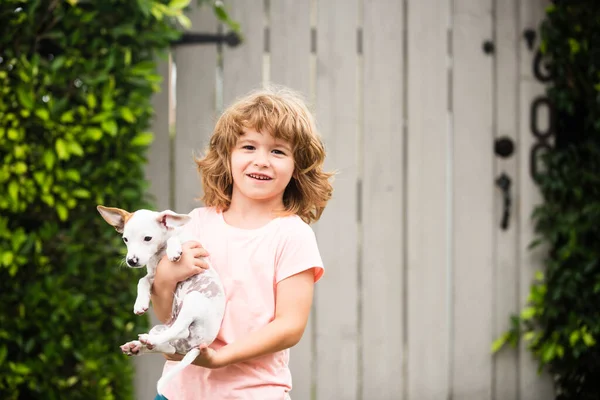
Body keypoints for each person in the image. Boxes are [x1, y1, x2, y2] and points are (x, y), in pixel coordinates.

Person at [149, 86, 334, 399]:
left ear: (297, 168)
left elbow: (290, 326)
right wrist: (165, 278)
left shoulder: (292, 236)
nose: (261, 160)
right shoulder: (195, 224)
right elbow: (169, 315)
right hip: (178, 391)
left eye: (278, 151)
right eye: (249, 147)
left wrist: (220, 359)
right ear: (227, 156)